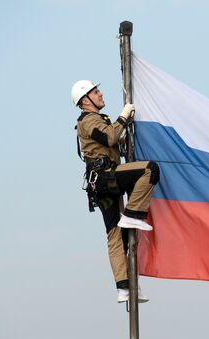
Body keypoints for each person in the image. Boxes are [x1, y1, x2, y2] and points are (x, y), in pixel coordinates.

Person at [71, 80, 159, 303]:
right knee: (150, 169)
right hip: (105, 177)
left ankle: (125, 287)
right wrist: (123, 117)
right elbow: (109, 137)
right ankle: (134, 214)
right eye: (95, 92)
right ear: (85, 100)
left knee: (115, 235)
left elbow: (111, 141)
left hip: (99, 183)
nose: (100, 94)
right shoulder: (90, 120)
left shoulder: (93, 121)